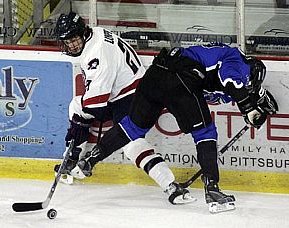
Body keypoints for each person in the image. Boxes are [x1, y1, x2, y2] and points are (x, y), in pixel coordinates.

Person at [71, 43, 278, 213]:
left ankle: (90, 159)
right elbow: (232, 80)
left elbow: (228, 89)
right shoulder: (236, 58)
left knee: (132, 127)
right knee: (205, 133)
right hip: (180, 77)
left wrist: (254, 105)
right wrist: (249, 107)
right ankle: (213, 191)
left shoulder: (223, 63)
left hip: (156, 73)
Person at [54, 12, 195, 205]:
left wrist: (79, 127)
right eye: (67, 42)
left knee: (130, 144)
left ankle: (170, 185)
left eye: (73, 40)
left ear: (83, 32)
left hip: (134, 97)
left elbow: (96, 103)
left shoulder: (96, 53)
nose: (71, 46)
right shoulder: (96, 34)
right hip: (129, 90)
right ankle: (72, 158)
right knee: (77, 105)